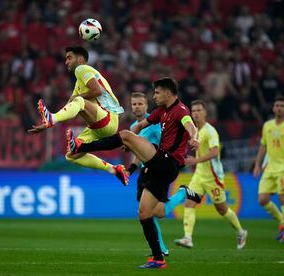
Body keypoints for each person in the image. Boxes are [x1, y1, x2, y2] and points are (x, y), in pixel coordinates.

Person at [67, 77, 199, 269]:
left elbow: (190, 126)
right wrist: (132, 142)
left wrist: (194, 138)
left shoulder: (181, 110)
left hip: (168, 162)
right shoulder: (160, 111)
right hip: (158, 167)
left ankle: (81, 146)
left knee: (126, 135)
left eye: (157, 92)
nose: (154, 96)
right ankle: (158, 259)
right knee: (146, 214)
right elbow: (139, 126)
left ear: (168, 93)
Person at [28, 46, 129, 185]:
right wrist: (47, 125)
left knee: (80, 100)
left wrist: (54, 118)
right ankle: (114, 169)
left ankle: (52, 118)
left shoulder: (82, 69)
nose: (66, 62)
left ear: (80, 59)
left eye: (69, 57)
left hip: (109, 118)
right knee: (71, 155)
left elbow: (97, 91)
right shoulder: (78, 83)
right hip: (98, 126)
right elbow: (70, 106)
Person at [126, 92, 201, 257]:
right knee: (150, 213)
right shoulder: (134, 127)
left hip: (158, 171)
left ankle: (182, 193)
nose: (137, 107)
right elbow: (139, 153)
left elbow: (164, 146)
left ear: (146, 106)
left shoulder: (154, 125)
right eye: (134, 104)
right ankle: (160, 249)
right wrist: (131, 169)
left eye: (140, 104)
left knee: (156, 212)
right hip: (144, 172)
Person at [174, 100, 247, 250]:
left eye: (199, 110)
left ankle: (241, 232)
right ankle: (188, 238)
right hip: (200, 175)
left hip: (213, 177)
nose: (195, 113)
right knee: (189, 203)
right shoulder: (193, 131)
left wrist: (195, 160)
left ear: (205, 112)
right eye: (193, 111)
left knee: (222, 209)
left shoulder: (210, 131)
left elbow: (214, 152)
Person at [253, 97, 284, 244]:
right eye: (277, 105)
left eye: (282, 106)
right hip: (269, 168)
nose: (279, 108)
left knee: (283, 199)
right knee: (262, 199)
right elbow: (263, 146)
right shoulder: (267, 125)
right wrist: (257, 164)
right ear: (273, 109)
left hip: (283, 168)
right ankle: (282, 220)